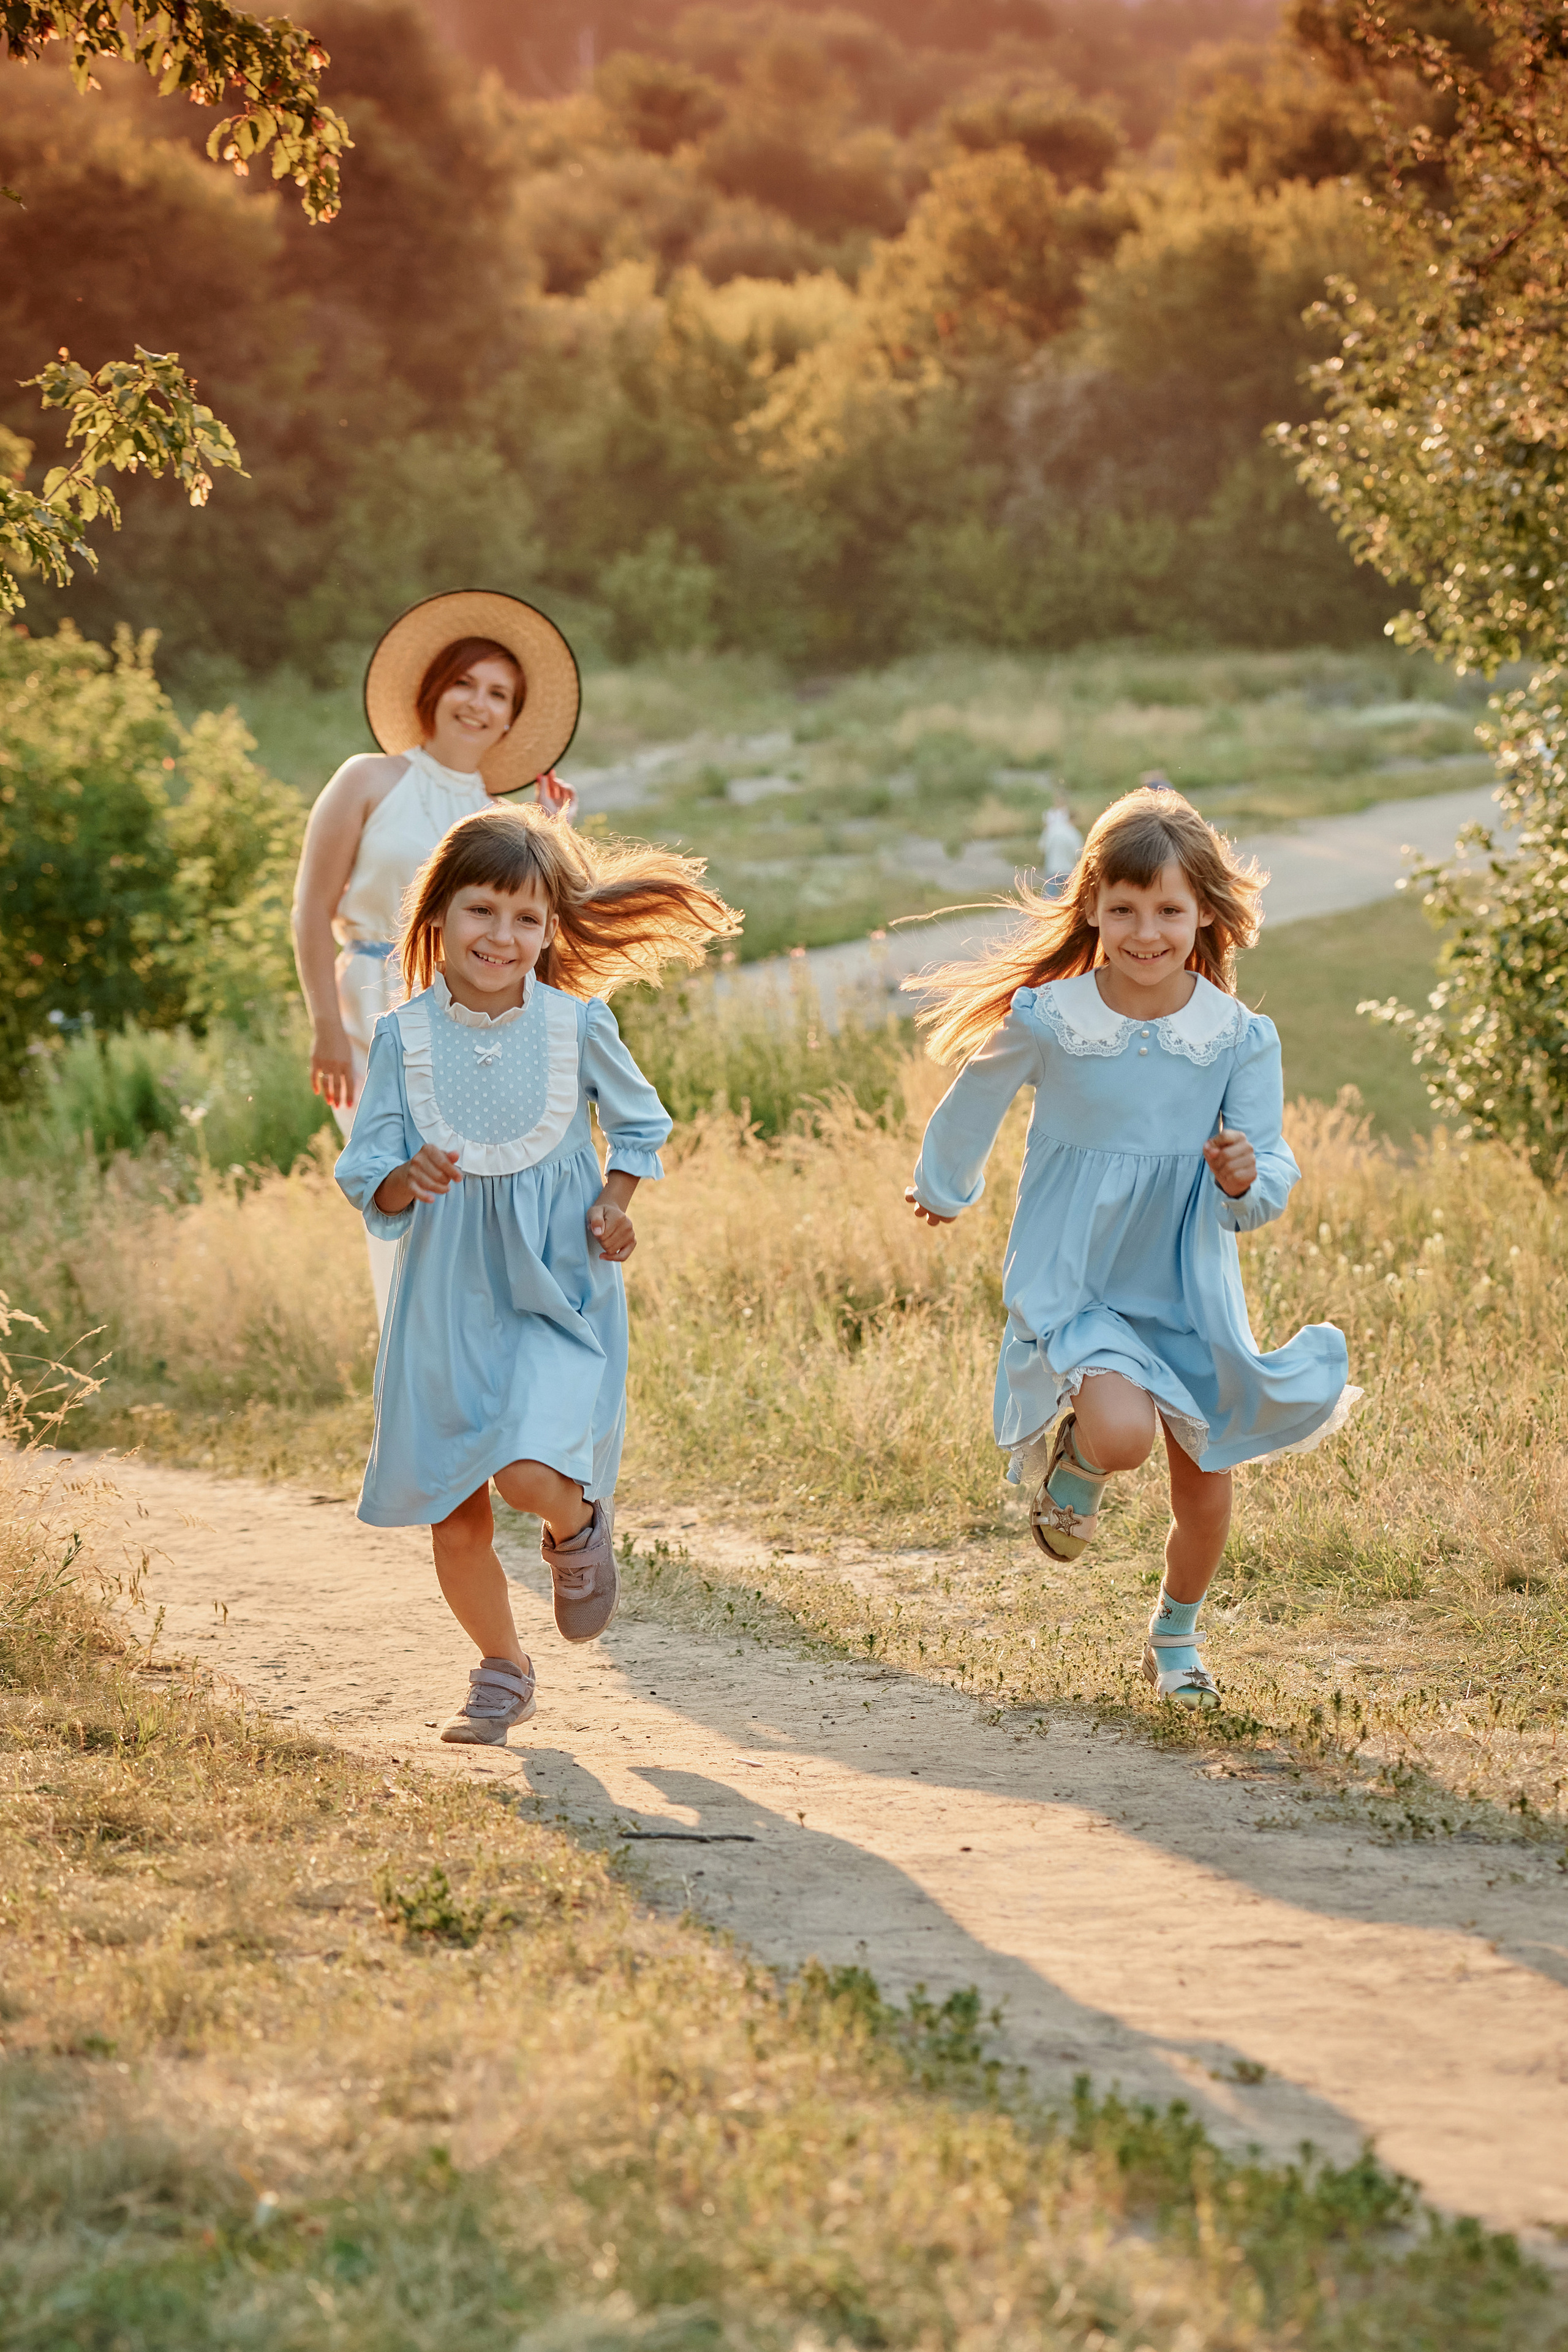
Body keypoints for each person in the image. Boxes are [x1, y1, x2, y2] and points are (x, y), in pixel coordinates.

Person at [902, 785, 1357, 1709]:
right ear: (1093, 910)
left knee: (1208, 1493)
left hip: (1186, 1289)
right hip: (1079, 1280)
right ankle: (1078, 1455)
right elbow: (975, 1098)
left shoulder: (1236, 1039)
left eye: (1168, 911)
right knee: (1123, 1434)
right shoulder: (1053, 1018)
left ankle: (1175, 1635)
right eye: (1123, 910)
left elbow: (1267, 1178)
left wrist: (1240, 1176)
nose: (1145, 932)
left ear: (1205, 915)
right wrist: (945, 1188)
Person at [334, 801, 740, 1747]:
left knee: (525, 1470)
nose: (502, 935)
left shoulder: (575, 1024)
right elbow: (366, 1167)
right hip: (443, 1296)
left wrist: (616, 1203)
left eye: (526, 918)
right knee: (455, 1511)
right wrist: (406, 1175)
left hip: (556, 1284)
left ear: (551, 928)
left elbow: (641, 1127)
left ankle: (577, 1520)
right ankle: (502, 1668)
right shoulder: (403, 1036)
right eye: (482, 911)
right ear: (437, 915)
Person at [292, 590, 582, 1323]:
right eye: (464, 683)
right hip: (366, 999)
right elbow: (309, 909)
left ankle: (469, 1359)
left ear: (513, 717)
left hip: (467, 1014)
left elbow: (532, 933)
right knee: (392, 1179)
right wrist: (326, 1026)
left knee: (465, 1189)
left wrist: (555, 833)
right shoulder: (366, 778)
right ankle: (407, 1358)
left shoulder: (500, 820)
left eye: (497, 694)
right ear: (434, 689)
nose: (477, 704)